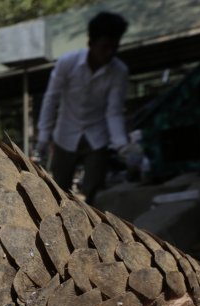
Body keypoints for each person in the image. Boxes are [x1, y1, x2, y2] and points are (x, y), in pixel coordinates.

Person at [34, 12, 129, 203]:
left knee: (94, 191)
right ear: (91, 43)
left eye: (114, 47)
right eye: (105, 47)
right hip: (66, 133)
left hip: (97, 136)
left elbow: (114, 112)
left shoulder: (119, 71)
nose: (110, 52)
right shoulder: (67, 63)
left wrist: (122, 145)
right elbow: (51, 99)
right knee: (59, 190)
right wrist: (43, 139)